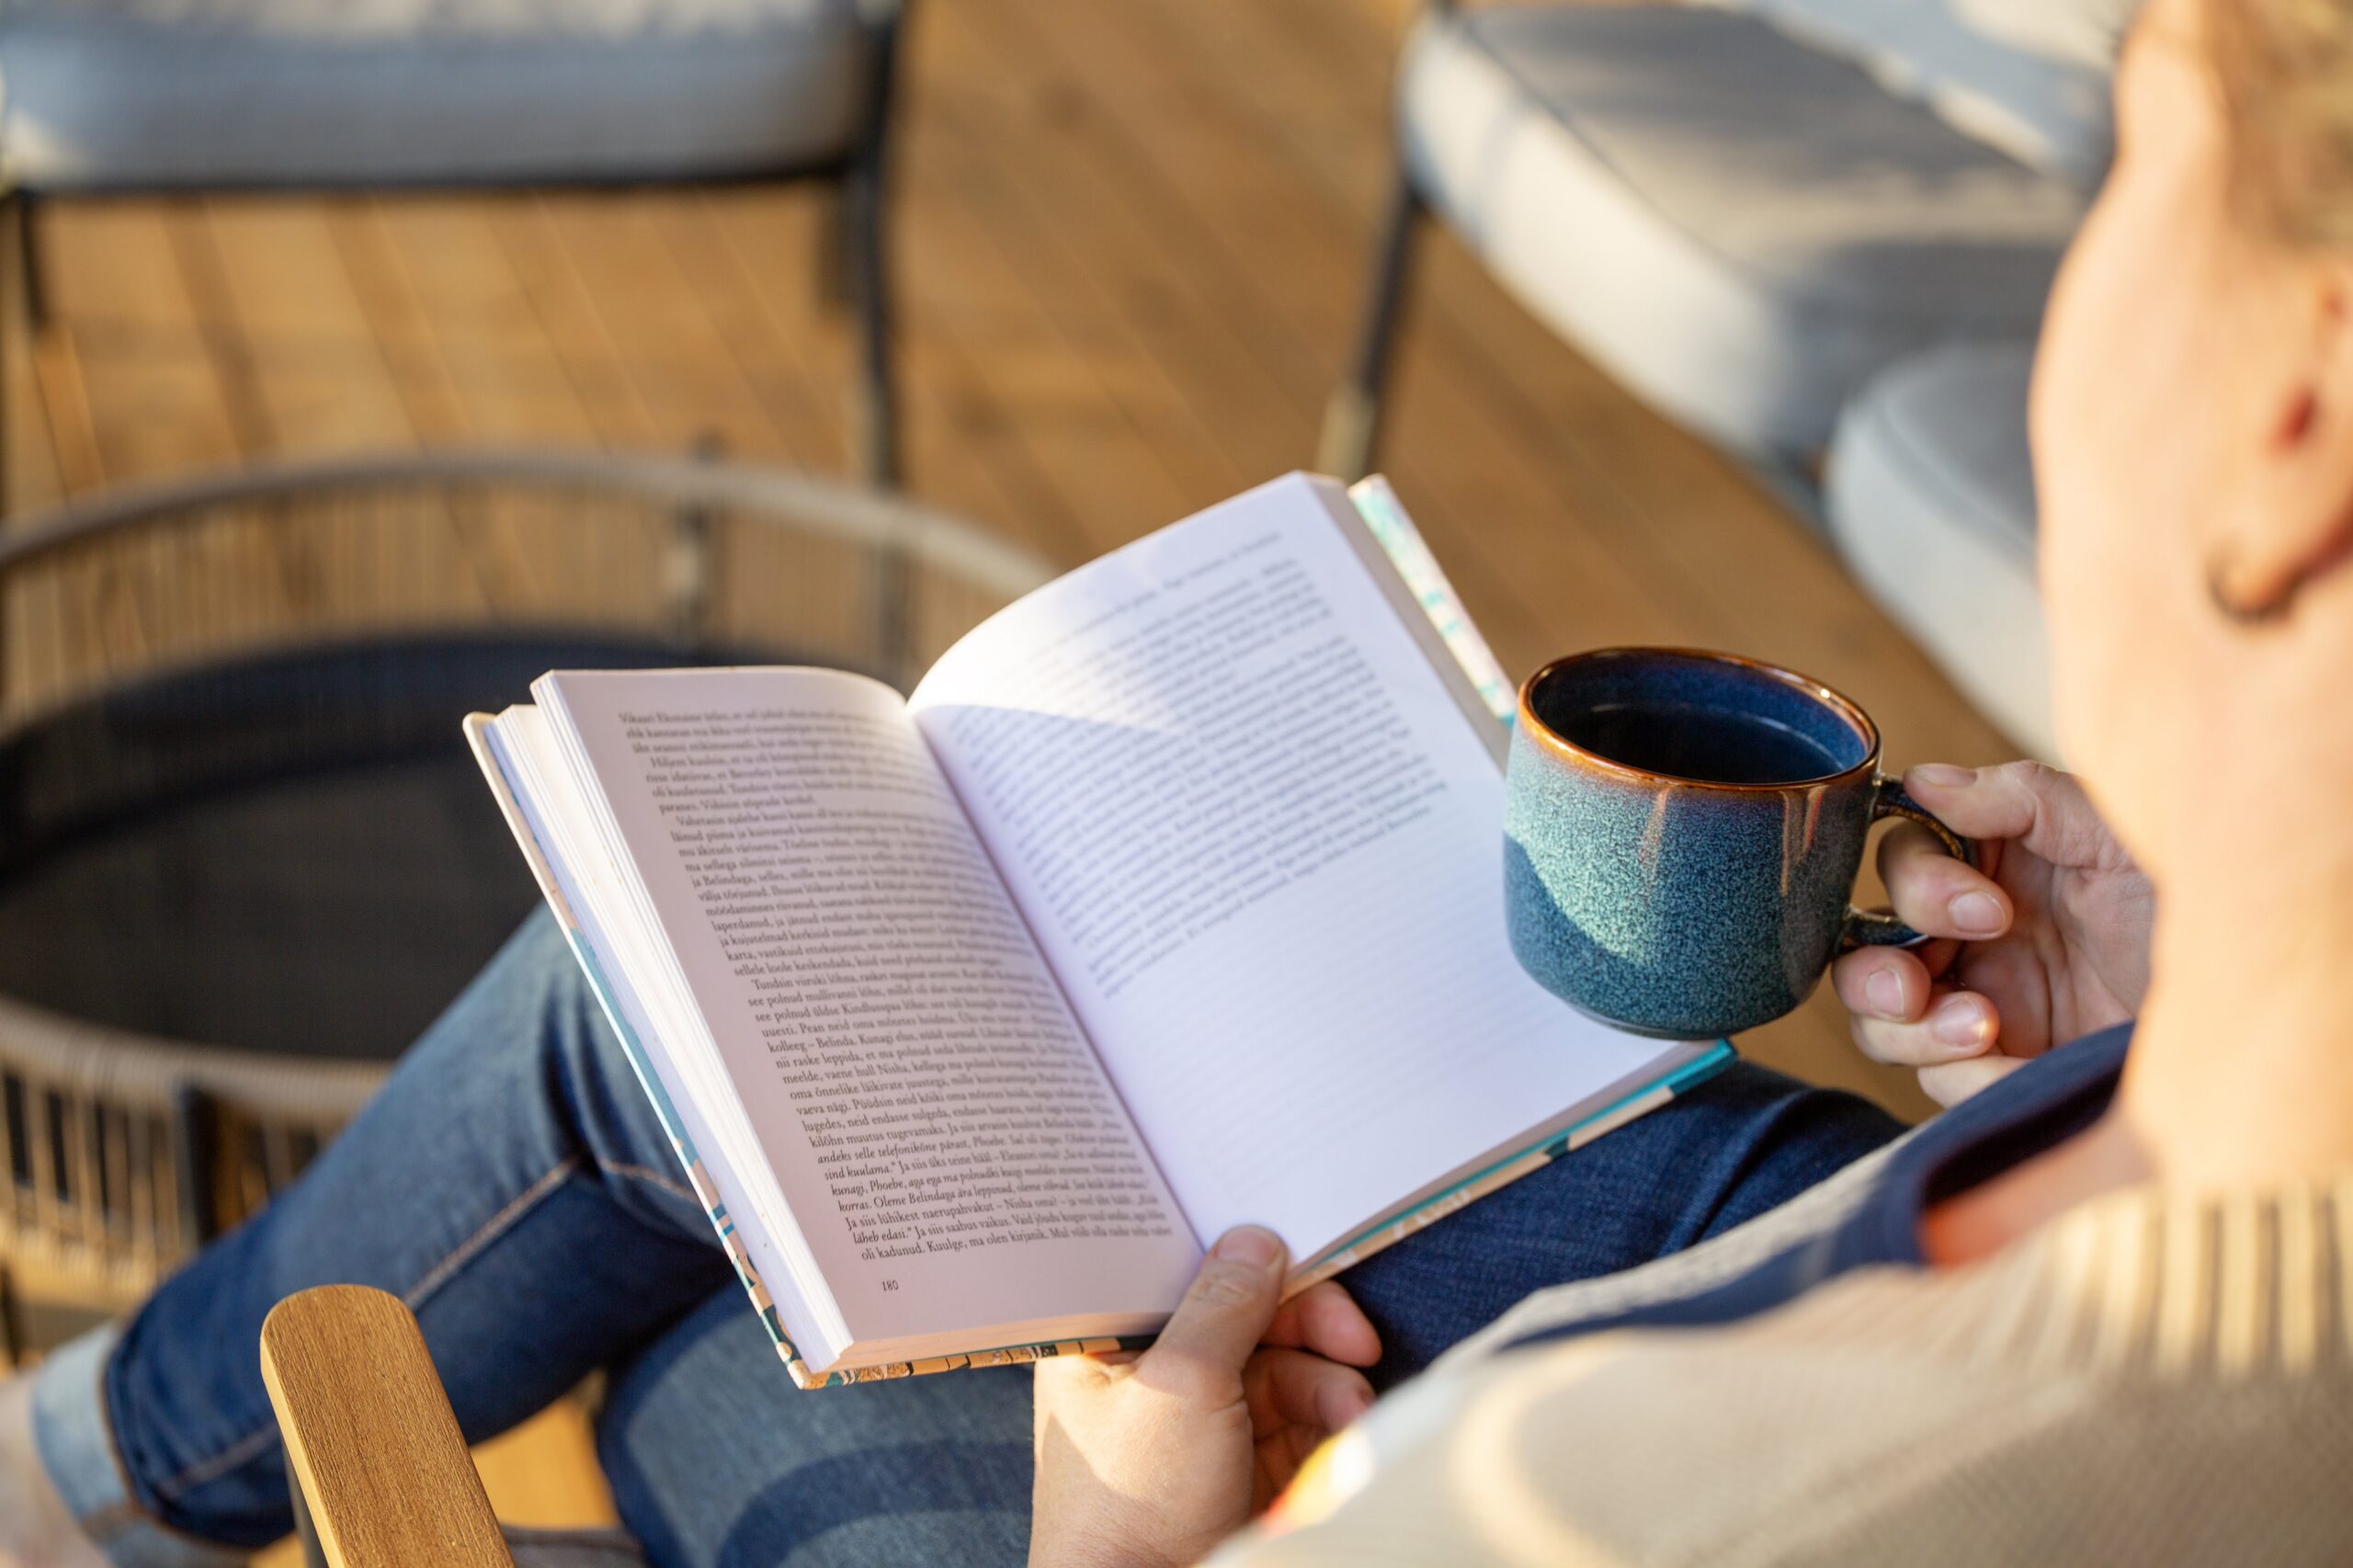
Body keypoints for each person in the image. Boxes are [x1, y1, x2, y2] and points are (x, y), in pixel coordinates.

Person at [9, 0, 2352, 1559]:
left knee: (716, 1306)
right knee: (688, 1044)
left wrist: (1129, 1552)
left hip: (1633, 1377)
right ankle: (81, 1474)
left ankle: (76, 1483)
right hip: (1897, 1207)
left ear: (2300, 425)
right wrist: (2153, 1027)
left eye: (2116, 189)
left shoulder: (1607, 1511)